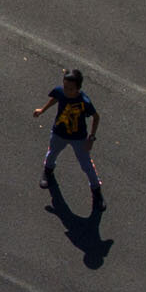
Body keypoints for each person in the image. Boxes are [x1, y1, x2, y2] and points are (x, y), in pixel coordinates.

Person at [32, 68, 103, 203]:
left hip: (79, 138)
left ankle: (96, 190)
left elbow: (96, 117)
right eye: (65, 87)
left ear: (78, 88)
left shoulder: (84, 102)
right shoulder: (60, 92)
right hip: (59, 133)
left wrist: (91, 138)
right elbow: (55, 98)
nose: (67, 91)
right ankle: (48, 170)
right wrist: (42, 110)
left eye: (71, 89)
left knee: (86, 165)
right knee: (52, 153)